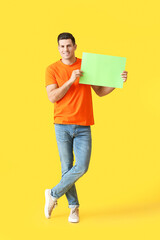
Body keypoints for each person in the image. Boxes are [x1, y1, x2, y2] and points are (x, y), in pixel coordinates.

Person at [44, 32, 128, 223]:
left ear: (75, 46)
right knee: (66, 168)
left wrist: (117, 82)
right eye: (62, 46)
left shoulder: (86, 65)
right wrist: (71, 80)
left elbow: (99, 92)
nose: (65, 49)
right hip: (62, 124)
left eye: (69, 46)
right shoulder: (51, 69)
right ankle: (74, 208)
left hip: (83, 125)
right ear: (58, 48)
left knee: (81, 166)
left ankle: (53, 194)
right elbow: (53, 97)